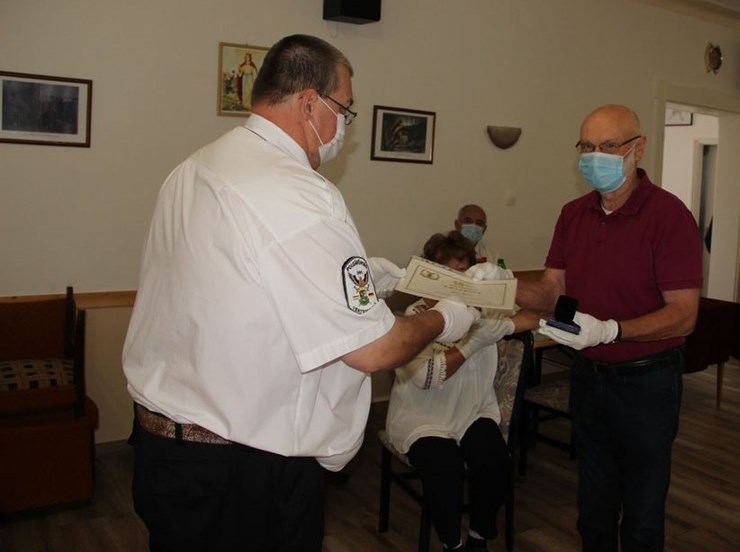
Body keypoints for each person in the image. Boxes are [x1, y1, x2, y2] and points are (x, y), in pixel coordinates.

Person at [122, 34, 479, 552]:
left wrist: (366, 276)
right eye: (345, 110)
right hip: (241, 471)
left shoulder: (194, 167)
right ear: (310, 102)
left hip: (166, 452)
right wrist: (448, 317)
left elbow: (243, 281)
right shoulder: (297, 190)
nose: (344, 130)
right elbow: (376, 349)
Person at [512, 104, 702, 551]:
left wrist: (613, 330)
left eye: (608, 146)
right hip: (589, 377)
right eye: (586, 146)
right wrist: (502, 286)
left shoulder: (668, 215)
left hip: (647, 382)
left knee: (642, 514)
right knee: (593, 507)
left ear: (638, 148)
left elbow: (684, 313)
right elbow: (552, 292)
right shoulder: (573, 214)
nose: (594, 156)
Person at [386, 231, 536, 551]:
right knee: (446, 467)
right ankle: (451, 543)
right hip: (422, 416)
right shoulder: (416, 318)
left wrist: (510, 288)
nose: (455, 282)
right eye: (446, 273)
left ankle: (479, 538)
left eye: (462, 272)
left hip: (471, 410)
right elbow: (426, 377)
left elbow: (529, 318)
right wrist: (472, 344)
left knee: (494, 459)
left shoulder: (482, 313)